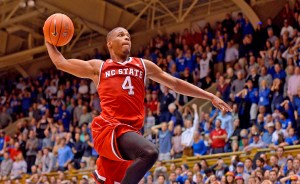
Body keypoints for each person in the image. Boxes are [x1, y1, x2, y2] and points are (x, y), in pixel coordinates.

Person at [45, 27, 231, 184]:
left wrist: (210, 96)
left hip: (130, 134)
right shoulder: (99, 67)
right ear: (109, 43)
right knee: (150, 153)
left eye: (128, 36)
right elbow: (60, 62)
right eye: (120, 35)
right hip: (110, 128)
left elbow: (175, 83)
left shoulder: (142, 65)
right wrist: (48, 37)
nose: (126, 37)